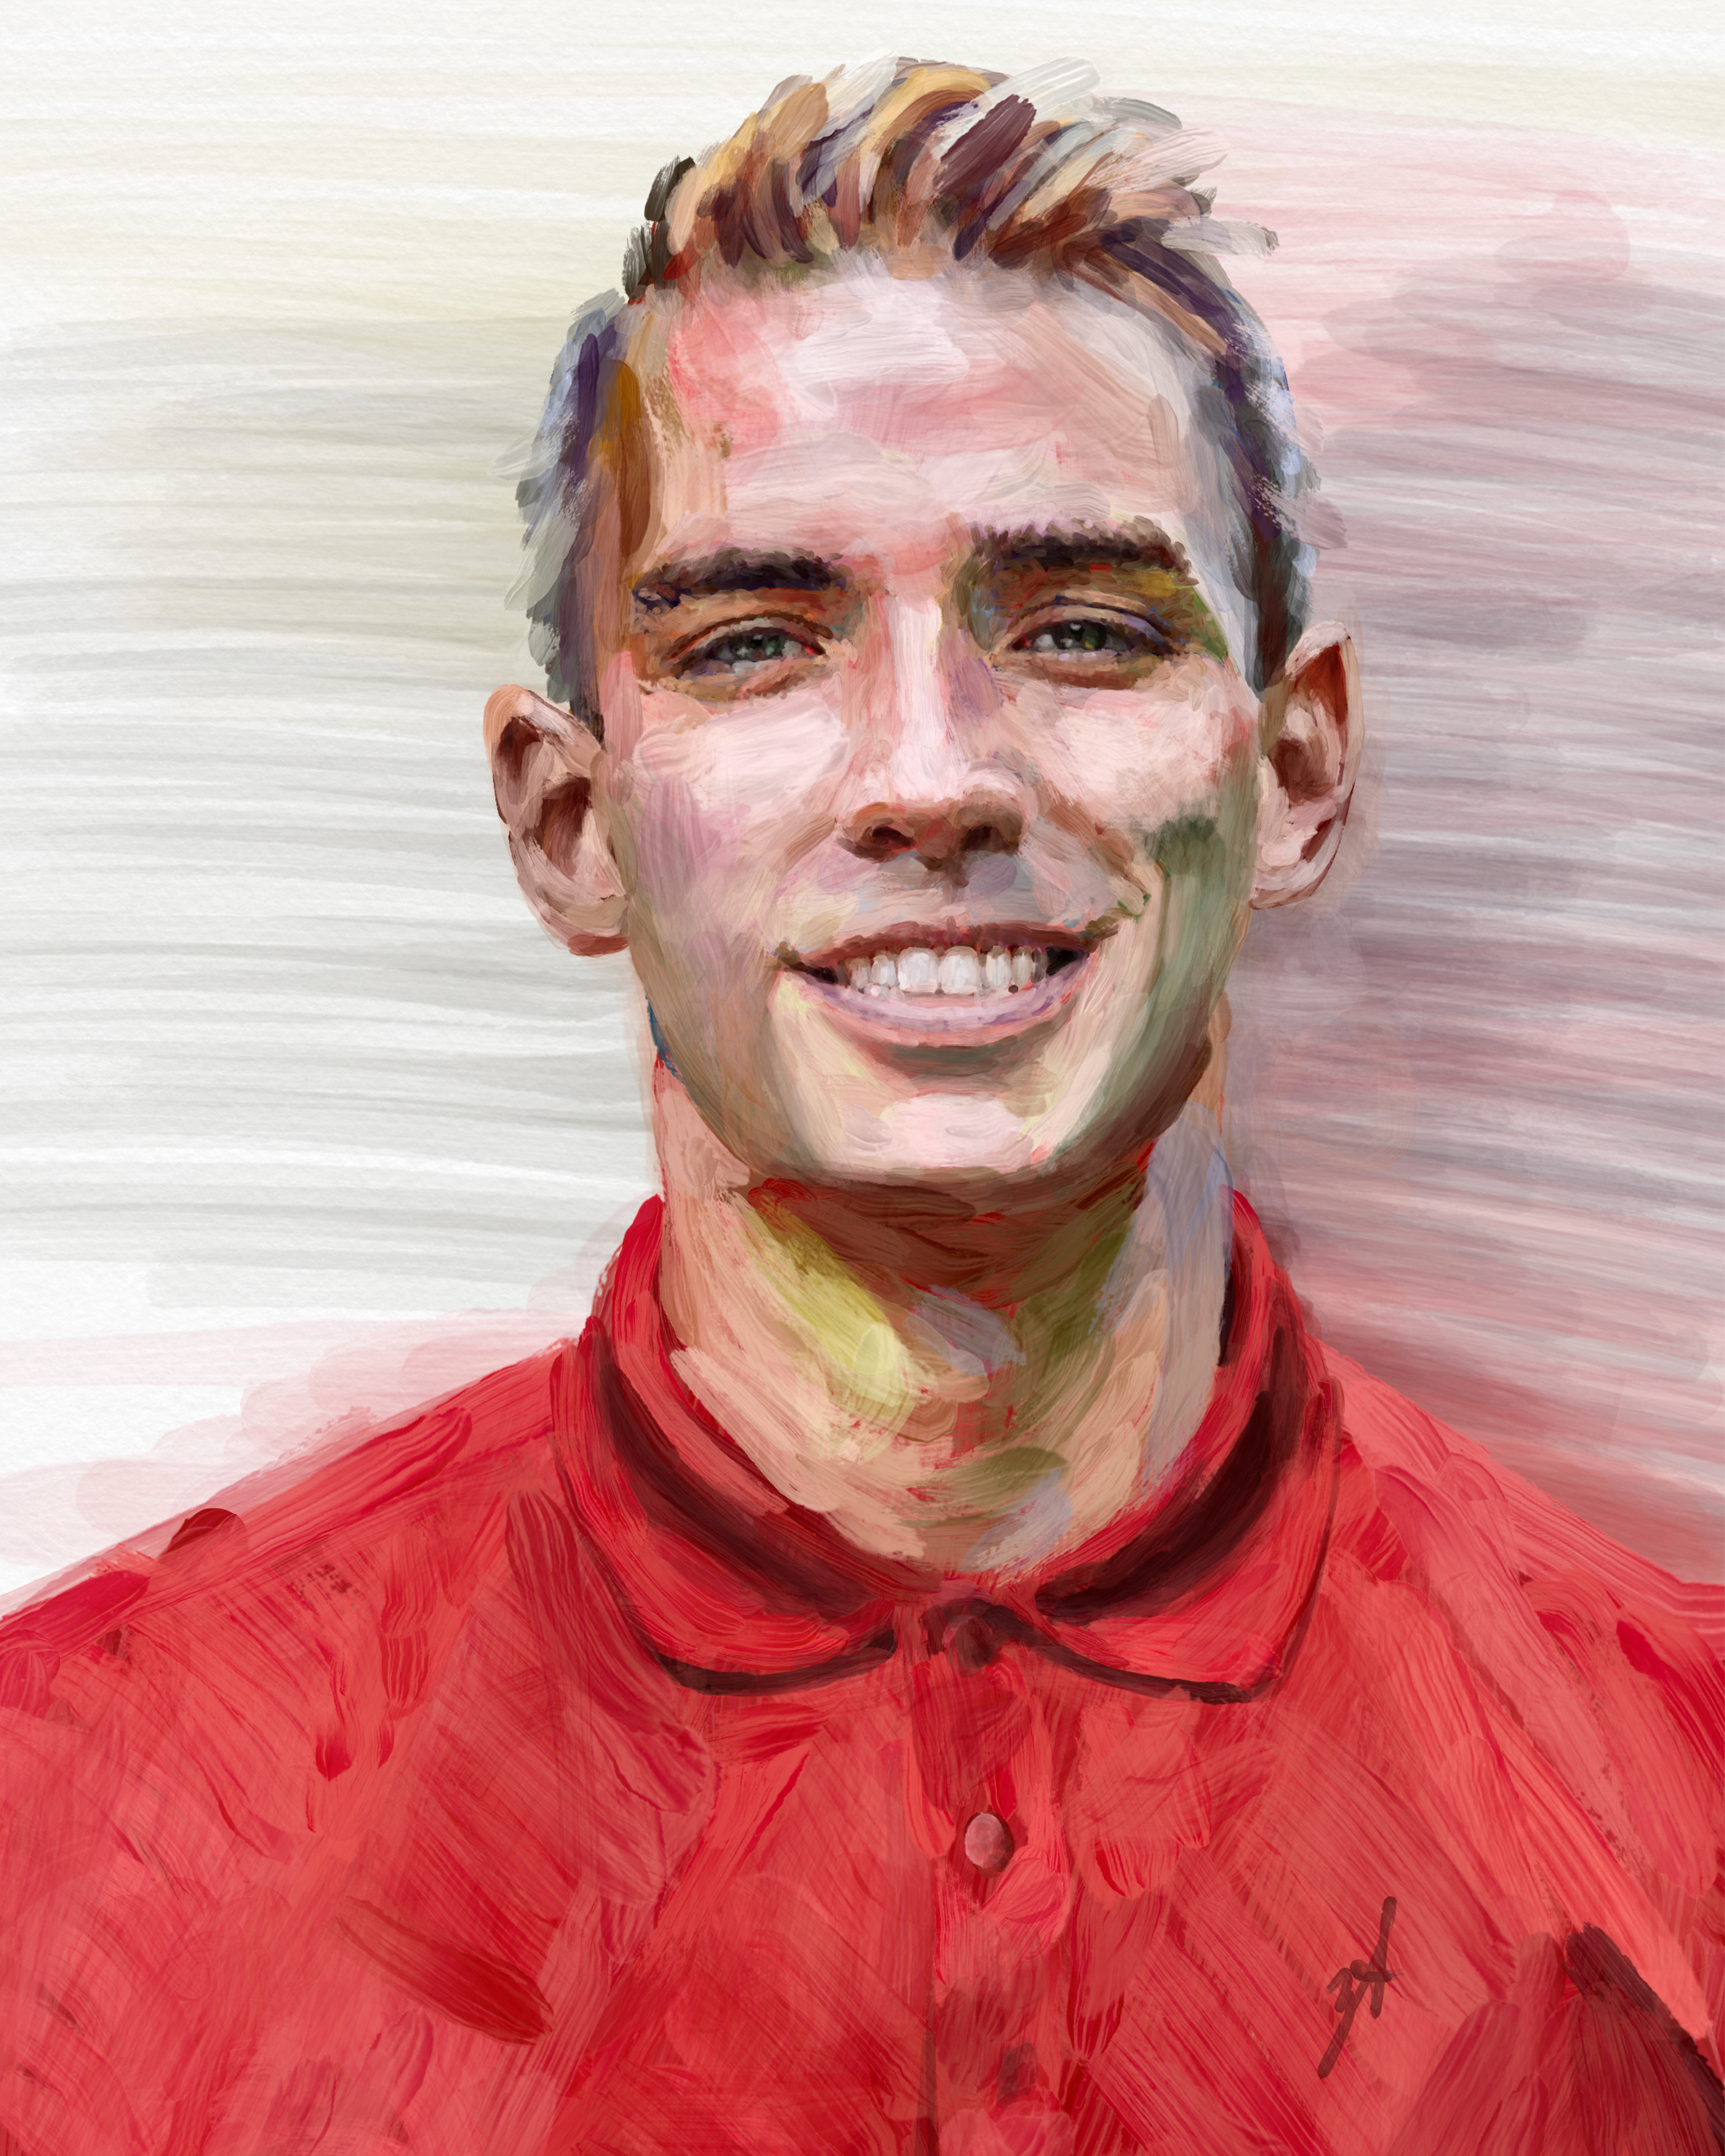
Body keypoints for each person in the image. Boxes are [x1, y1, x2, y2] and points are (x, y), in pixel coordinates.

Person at [1, 58, 1719, 2156]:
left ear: (1294, 777)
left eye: (1081, 628)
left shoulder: (1675, 1800)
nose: (931, 777)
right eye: (756, 643)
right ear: (567, 823)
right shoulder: (72, 1823)